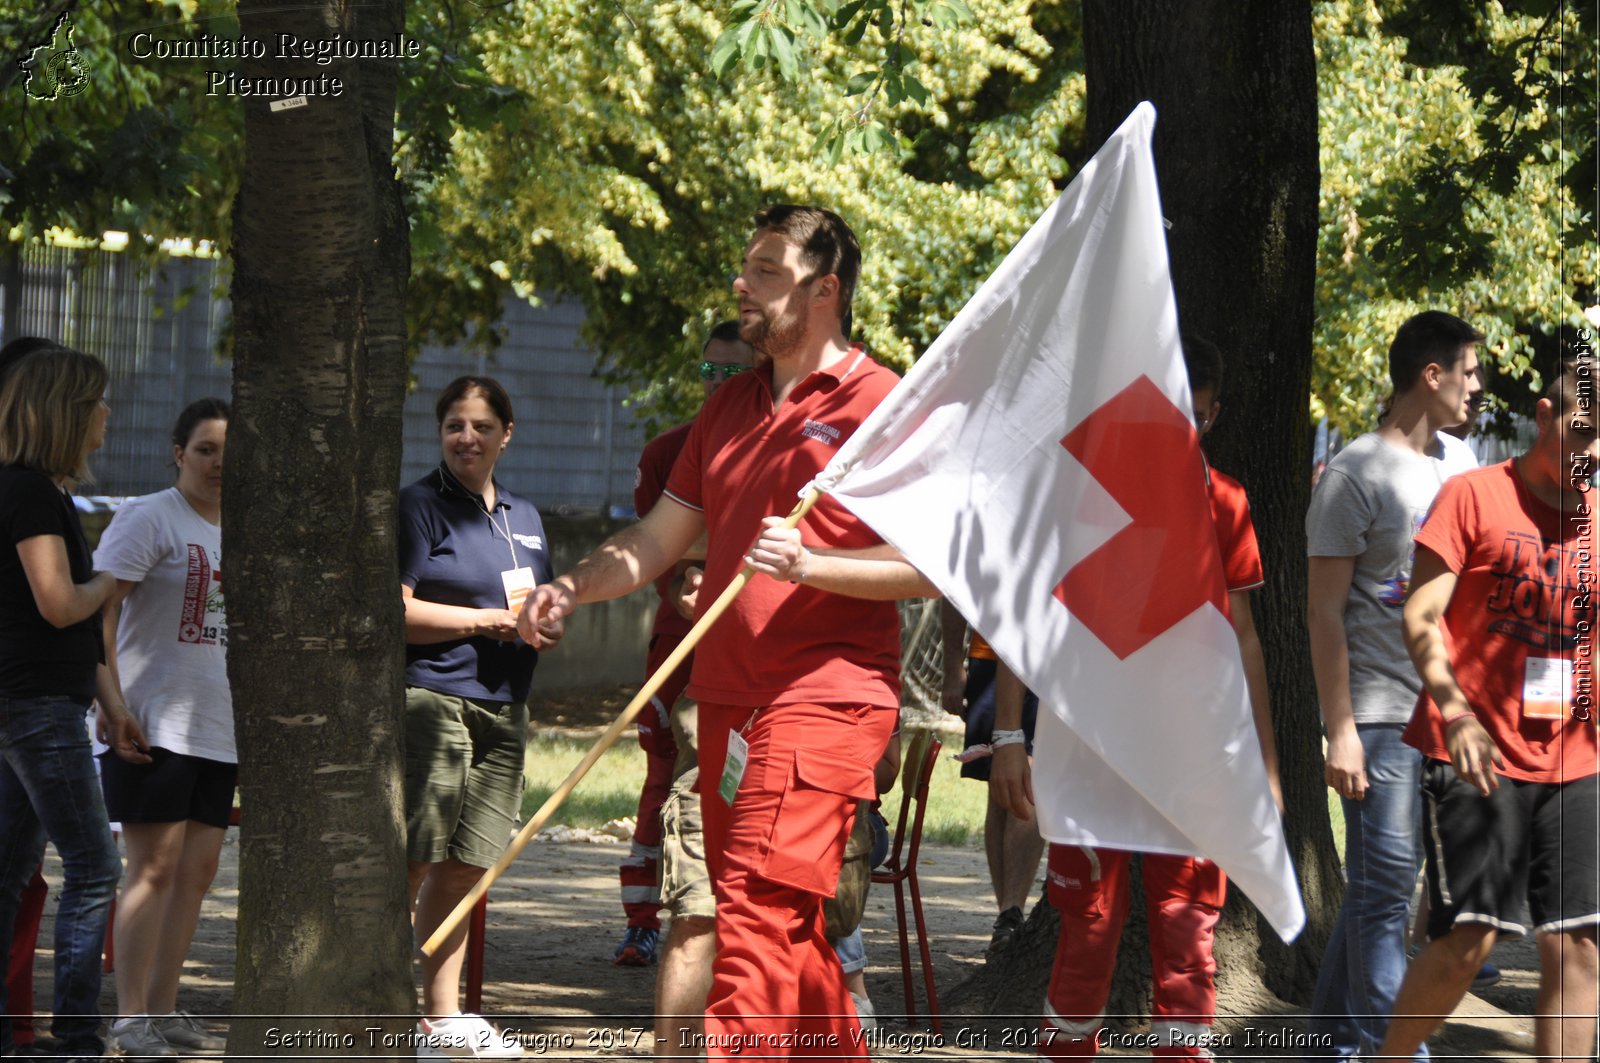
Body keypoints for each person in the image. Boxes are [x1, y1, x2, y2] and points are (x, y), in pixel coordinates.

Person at [518, 204, 936, 1059]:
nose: (743, 286)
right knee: (793, 935)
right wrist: (571, 585)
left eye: (768, 272)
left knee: (750, 913)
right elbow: (654, 541)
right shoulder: (730, 406)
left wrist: (814, 564)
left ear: (826, 290)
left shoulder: (882, 403)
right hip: (726, 704)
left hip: (825, 700)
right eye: (744, 267)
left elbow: (935, 567)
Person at [991, 332, 1280, 1058]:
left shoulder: (1225, 501)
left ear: (1213, 416)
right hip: (1090, 745)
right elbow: (1024, 621)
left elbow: (1243, 636)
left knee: (1187, 926)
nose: (1189, 430)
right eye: (1176, 413)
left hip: (1191, 751)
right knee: (1086, 921)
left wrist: (1267, 765)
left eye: (1202, 417)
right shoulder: (1082, 497)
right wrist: (1007, 735)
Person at [1376, 356, 1599, 1062]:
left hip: (1578, 757)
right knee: (1469, 938)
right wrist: (1456, 708)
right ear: (1543, 416)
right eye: (1582, 431)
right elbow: (1421, 612)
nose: (1591, 453)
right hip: (1475, 749)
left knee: (1579, 945)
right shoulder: (1473, 496)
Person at [1305, 311, 1484, 1059]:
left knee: (1387, 891)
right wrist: (1340, 728)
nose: (1479, 386)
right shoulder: (1352, 473)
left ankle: (1330, 1043)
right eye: (1469, 371)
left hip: (1448, 715)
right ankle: (1392, 1049)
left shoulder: (1466, 464)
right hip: (1379, 716)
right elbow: (1322, 613)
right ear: (1430, 374)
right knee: (1385, 896)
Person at [0, 343, 150, 1061]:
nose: (108, 413)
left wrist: (110, 703)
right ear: (64, 412)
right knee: (95, 865)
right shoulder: (27, 491)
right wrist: (114, 581)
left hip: (43, 701)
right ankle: (77, 1032)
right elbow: (62, 604)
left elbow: (75, 629)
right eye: (96, 402)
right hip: (34, 707)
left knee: (10, 869)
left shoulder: (46, 491)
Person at [400, 376, 557, 1058]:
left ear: (507, 434)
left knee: (467, 865)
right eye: (454, 426)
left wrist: (543, 621)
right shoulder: (418, 506)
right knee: (414, 858)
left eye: (481, 426)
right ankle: (386, 1007)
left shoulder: (525, 512)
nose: (467, 438)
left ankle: (444, 1018)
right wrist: (482, 620)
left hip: (506, 708)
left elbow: (534, 600)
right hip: (433, 700)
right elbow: (393, 610)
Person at [613, 321, 756, 968]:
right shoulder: (667, 450)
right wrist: (685, 580)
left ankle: (731, 917)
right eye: (709, 373)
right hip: (680, 642)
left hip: (753, 648)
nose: (717, 386)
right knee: (663, 771)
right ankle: (643, 918)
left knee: (739, 777)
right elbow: (661, 550)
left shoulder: (772, 448)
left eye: (732, 373)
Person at [96, 398, 233, 1057]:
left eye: (229, 453)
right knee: (151, 865)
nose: (218, 463)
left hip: (218, 725)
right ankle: (129, 1016)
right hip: (151, 721)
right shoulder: (148, 516)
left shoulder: (243, 529)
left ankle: (164, 1004)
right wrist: (109, 698)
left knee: (198, 869)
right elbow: (97, 611)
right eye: (205, 449)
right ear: (179, 452)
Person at [939, 602, 1044, 953]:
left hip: (1052, 656)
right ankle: (1008, 916)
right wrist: (952, 666)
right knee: (1000, 786)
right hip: (992, 655)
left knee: (1031, 781)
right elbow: (951, 587)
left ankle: (1010, 913)